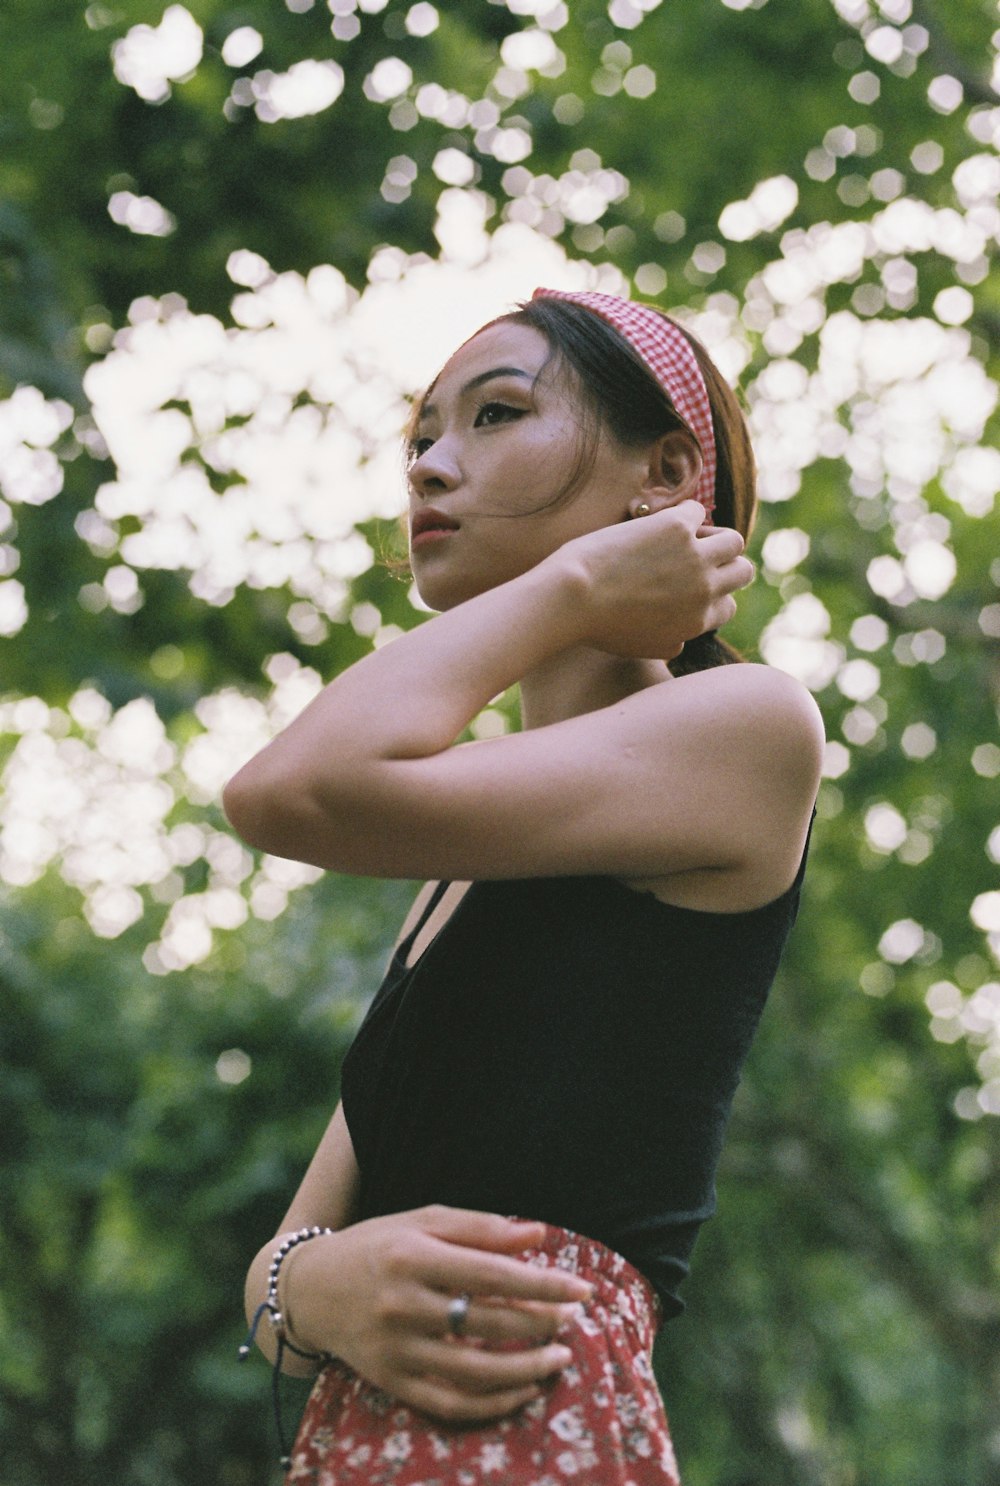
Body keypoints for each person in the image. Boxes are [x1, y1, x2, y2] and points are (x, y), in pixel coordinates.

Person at [224, 287, 824, 1485]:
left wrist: (568, 591)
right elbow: (285, 1259)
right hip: (359, 1437)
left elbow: (284, 789)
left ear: (665, 471)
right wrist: (316, 1286)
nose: (433, 466)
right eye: (420, 439)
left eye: (495, 414)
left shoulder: (750, 728)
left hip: (534, 1426)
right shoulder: (459, 860)